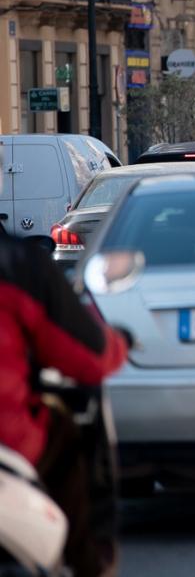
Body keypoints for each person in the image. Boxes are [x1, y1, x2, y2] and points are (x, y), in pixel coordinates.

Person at [0, 232, 127, 577]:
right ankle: (88, 562)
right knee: (67, 428)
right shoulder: (19, 264)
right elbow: (90, 356)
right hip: (9, 438)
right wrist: (120, 344)